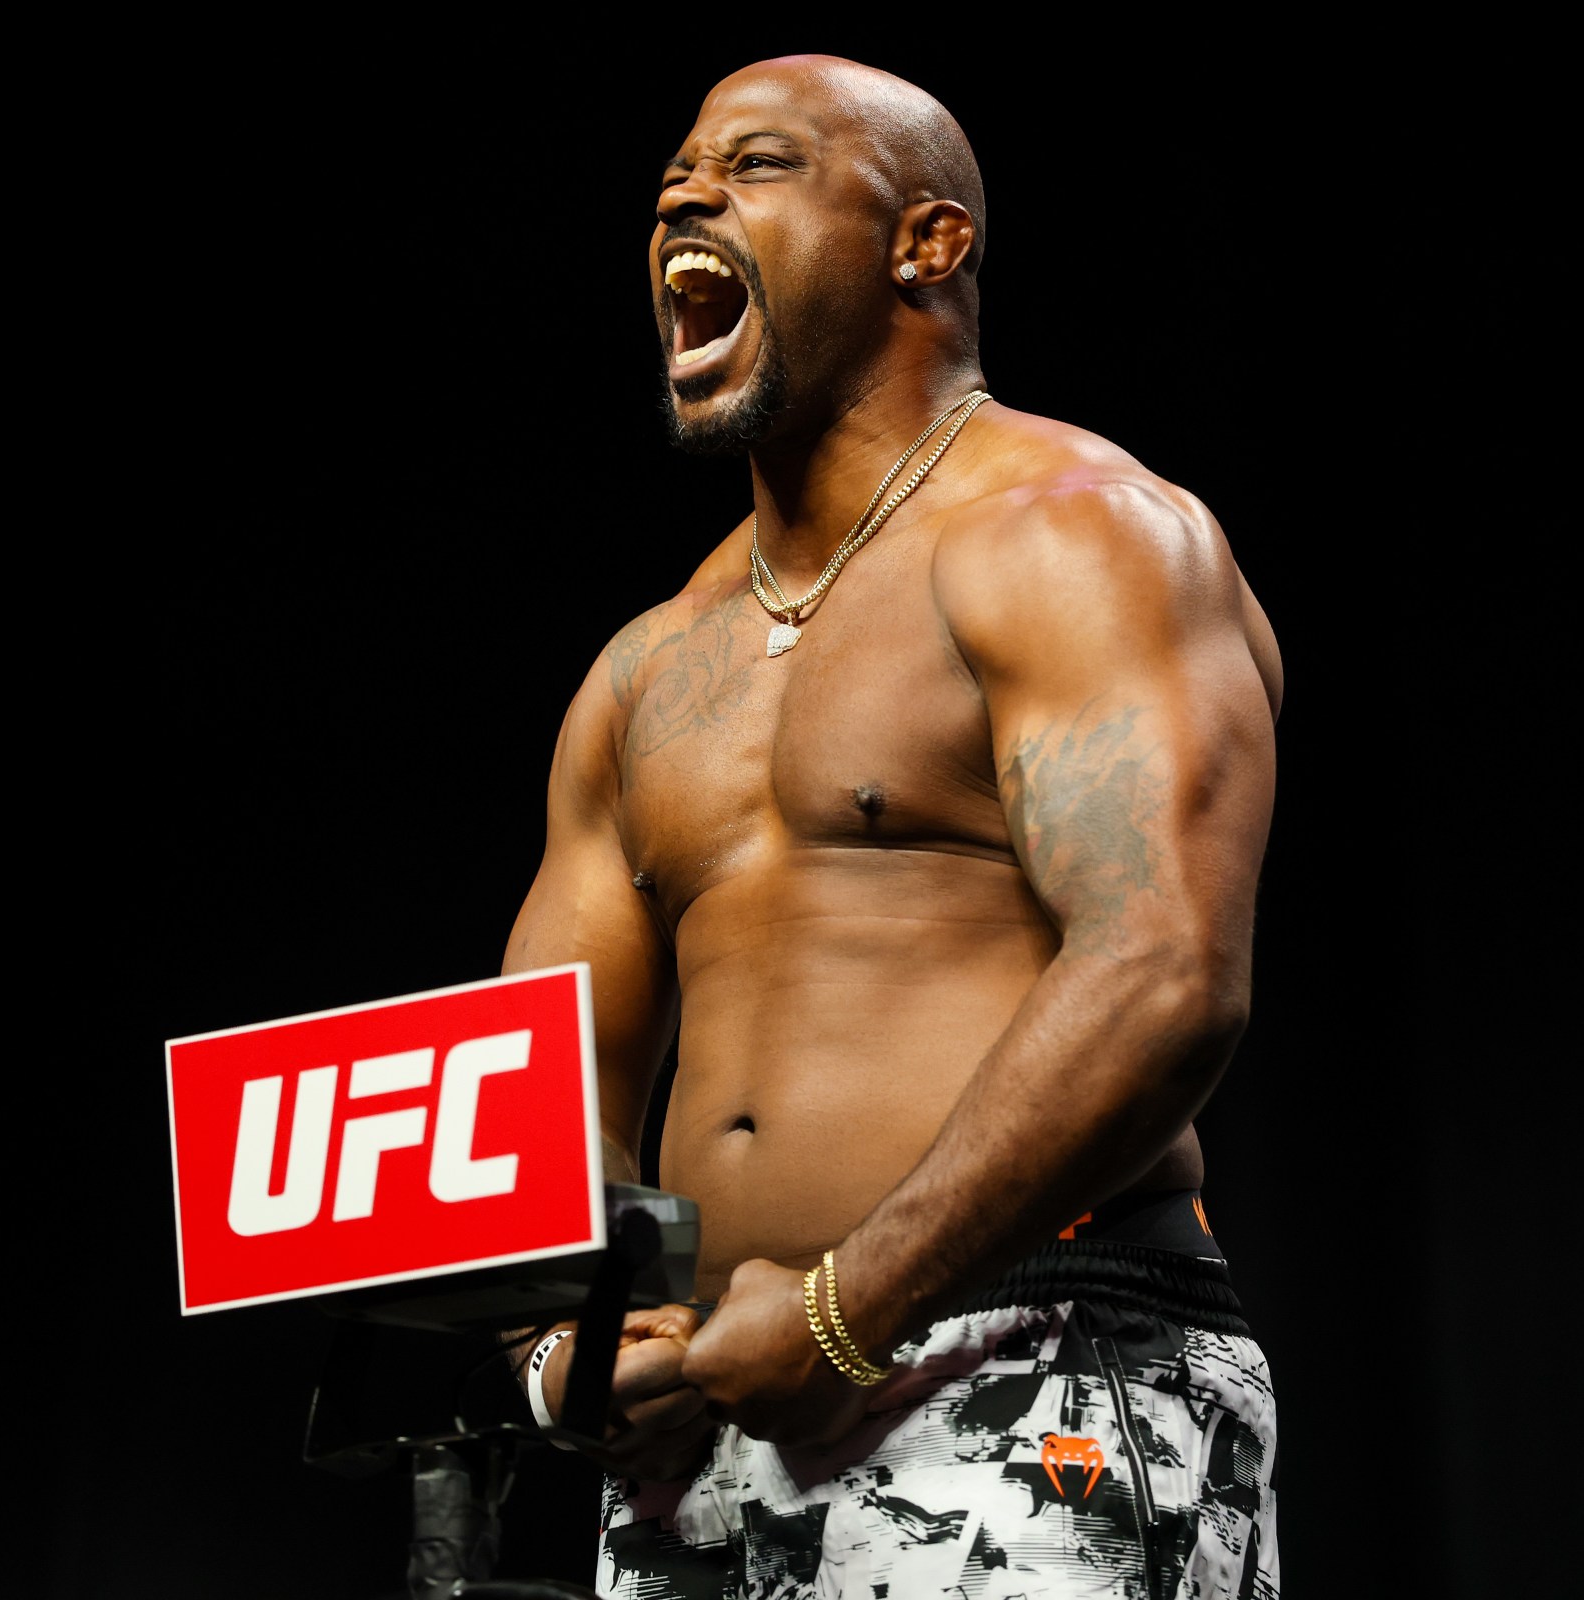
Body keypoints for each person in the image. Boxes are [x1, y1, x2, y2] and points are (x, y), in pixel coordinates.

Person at [503, 54, 1284, 1598]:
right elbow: (543, 1068)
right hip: (703, 1430)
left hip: (1029, 1350)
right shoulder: (648, 667)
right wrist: (573, 1352)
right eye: (675, 170)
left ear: (926, 244)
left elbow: (1164, 973)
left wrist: (842, 1312)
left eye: (759, 163)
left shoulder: (1075, 539)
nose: (685, 194)